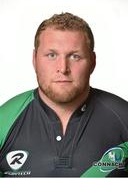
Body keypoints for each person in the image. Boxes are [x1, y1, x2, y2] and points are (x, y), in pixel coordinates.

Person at [0, 12, 128, 177]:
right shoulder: (4, 121)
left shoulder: (124, 118)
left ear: (93, 61)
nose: (63, 68)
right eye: (51, 55)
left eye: (75, 56)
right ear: (34, 59)